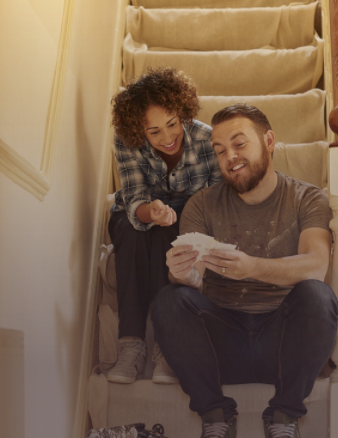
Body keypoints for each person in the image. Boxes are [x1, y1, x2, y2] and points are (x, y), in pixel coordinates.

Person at [151, 104, 338, 437]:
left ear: (268, 141)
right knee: (170, 297)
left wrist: (252, 267)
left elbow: (317, 264)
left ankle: (283, 416)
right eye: (220, 151)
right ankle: (215, 415)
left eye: (239, 144)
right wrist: (181, 273)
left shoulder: (307, 198)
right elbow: (193, 278)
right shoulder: (202, 203)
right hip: (222, 342)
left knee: (318, 294)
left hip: (283, 343)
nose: (230, 157)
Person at [107, 67, 222, 385]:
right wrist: (152, 212)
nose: (167, 137)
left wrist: (179, 220)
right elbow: (133, 201)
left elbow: (214, 204)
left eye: (172, 124)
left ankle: (165, 346)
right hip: (138, 214)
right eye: (154, 131)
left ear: (182, 112)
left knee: (170, 237)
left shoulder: (207, 139)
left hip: (189, 217)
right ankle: (130, 345)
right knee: (133, 232)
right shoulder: (125, 141)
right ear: (138, 131)